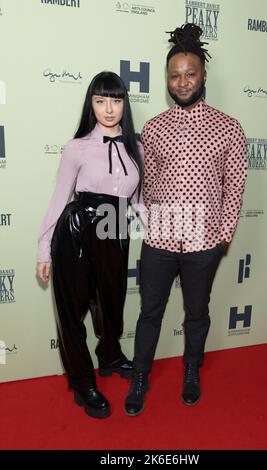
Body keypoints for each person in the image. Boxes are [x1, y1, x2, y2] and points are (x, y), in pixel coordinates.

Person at [124, 23, 247, 416]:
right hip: (159, 243)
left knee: (197, 313)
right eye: (174, 76)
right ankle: (140, 375)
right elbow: (144, 183)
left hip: (203, 245)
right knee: (149, 313)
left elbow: (236, 186)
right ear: (167, 79)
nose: (182, 82)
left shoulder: (229, 127)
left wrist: (223, 236)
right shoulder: (153, 126)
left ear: (203, 75)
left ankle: (191, 369)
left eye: (190, 74)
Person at [36, 71, 143, 419]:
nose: (108, 109)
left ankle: (110, 355)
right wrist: (43, 248)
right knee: (72, 310)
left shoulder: (135, 146)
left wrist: (163, 233)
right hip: (77, 230)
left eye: (115, 100)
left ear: (124, 103)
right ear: (91, 104)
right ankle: (82, 380)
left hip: (115, 230)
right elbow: (58, 199)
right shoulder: (77, 146)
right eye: (100, 100)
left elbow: (139, 202)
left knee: (112, 302)